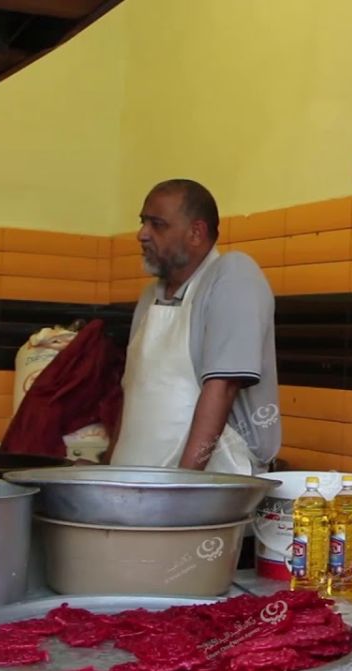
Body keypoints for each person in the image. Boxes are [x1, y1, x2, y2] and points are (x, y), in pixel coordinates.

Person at [108, 179, 280, 475]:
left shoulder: (233, 276)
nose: (142, 234)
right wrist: (107, 472)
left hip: (207, 488)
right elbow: (132, 393)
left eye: (157, 224)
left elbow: (222, 387)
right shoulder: (150, 296)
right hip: (134, 490)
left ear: (196, 233)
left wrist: (184, 486)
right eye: (143, 222)